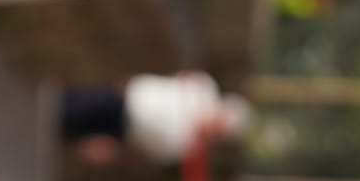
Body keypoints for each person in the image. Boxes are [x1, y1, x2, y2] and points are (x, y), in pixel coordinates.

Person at [60, 72, 251, 166]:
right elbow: (173, 79)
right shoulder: (205, 87)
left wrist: (110, 148)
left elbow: (144, 151)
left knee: (63, 131)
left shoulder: (191, 148)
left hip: (120, 131)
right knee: (63, 105)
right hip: (123, 99)